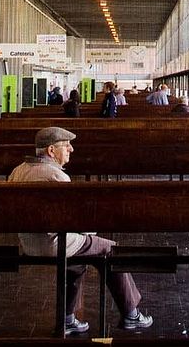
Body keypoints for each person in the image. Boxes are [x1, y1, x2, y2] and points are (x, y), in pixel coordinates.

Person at [8, 126, 153, 334]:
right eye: (66, 146)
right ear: (51, 150)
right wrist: (90, 230)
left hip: (30, 243)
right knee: (110, 249)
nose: (71, 149)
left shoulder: (18, 170)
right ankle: (132, 314)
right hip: (53, 243)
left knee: (77, 262)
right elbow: (72, 220)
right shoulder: (56, 176)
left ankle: (67, 318)